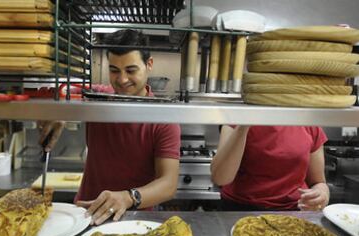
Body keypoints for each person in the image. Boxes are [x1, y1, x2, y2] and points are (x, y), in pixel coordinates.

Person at [39, 29, 181, 225]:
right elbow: (64, 90)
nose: (122, 80)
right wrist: (60, 108)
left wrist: (128, 197)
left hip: (135, 217)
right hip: (87, 212)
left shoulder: (164, 118)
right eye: (114, 70)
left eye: (131, 70)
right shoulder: (98, 97)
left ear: (149, 65)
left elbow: (168, 184)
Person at [210, 125, 330, 211]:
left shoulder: (309, 124)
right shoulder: (236, 120)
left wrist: (321, 194)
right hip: (240, 209)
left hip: (293, 212)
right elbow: (220, 178)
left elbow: (318, 182)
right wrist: (244, 125)